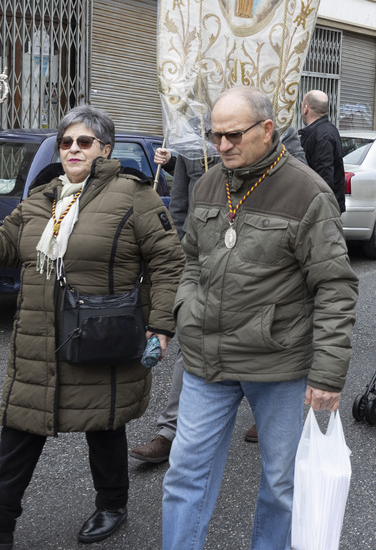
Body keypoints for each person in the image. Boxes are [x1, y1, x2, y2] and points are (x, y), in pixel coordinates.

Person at [0, 105, 184, 550]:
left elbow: (169, 261)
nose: (73, 149)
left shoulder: (133, 195)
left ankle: (113, 504)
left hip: (102, 329)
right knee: (21, 425)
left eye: (84, 142)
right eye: (66, 141)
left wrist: (161, 325)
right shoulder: (41, 197)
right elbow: (7, 248)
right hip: (37, 336)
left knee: (104, 422)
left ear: (104, 149)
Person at [161, 87, 358, 550]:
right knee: (185, 472)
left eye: (233, 135)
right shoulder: (209, 182)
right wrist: (186, 311)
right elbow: (190, 259)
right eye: (215, 136)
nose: (223, 145)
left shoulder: (308, 191)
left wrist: (328, 373)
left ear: (267, 130)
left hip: (278, 363)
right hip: (207, 360)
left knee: (280, 483)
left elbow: (335, 285)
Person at [131, 128, 309, 464]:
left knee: (266, 344)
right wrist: (190, 261)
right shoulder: (194, 136)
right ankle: (170, 433)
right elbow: (182, 206)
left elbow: (300, 191)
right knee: (192, 341)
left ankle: (268, 413)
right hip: (208, 268)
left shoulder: (279, 128)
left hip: (264, 274)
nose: (223, 143)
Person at [298, 89, 346, 211]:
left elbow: (324, 177)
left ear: (306, 108)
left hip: (321, 209)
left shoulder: (322, 135)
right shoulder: (327, 130)